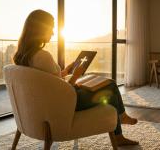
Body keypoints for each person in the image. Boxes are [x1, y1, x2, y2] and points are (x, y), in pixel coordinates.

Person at [13, 9, 138, 146]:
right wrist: (76, 76)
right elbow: (60, 91)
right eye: (51, 28)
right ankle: (121, 121)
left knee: (109, 87)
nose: (53, 32)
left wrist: (66, 72)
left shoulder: (23, 56)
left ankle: (121, 122)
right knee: (110, 87)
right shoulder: (43, 56)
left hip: (47, 105)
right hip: (65, 104)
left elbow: (47, 82)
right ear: (41, 29)